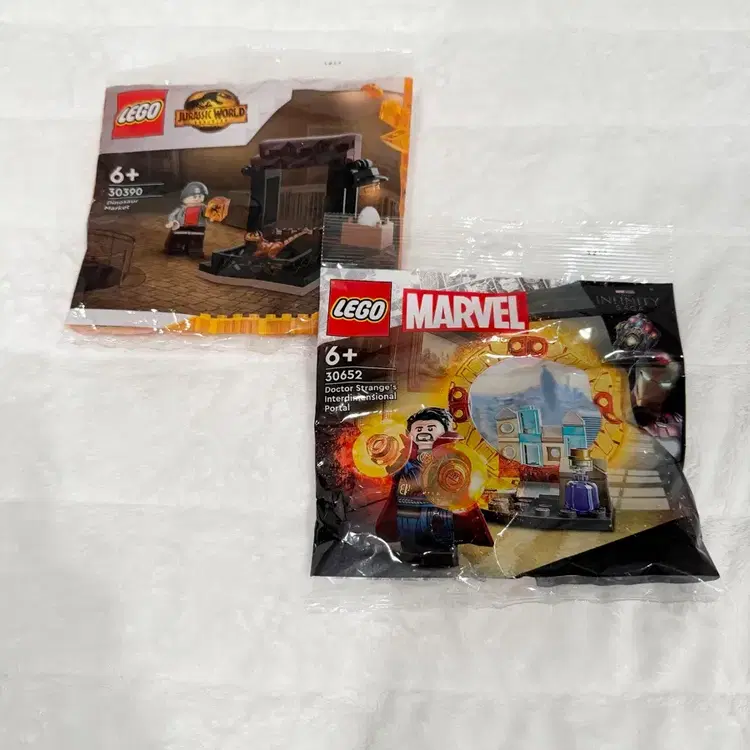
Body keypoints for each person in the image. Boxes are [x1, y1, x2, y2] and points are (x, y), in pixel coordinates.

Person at [370, 407, 494, 567]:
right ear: (410, 433)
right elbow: (395, 473)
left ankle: (442, 557)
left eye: (431, 428)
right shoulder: (406, 456)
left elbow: (462, 476)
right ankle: (412, 555)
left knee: (440, 538)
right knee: (410, 538)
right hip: (408, 510)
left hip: (438, 509)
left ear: (445, 432)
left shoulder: (450, 456)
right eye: (418, 428)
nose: (424, 432)